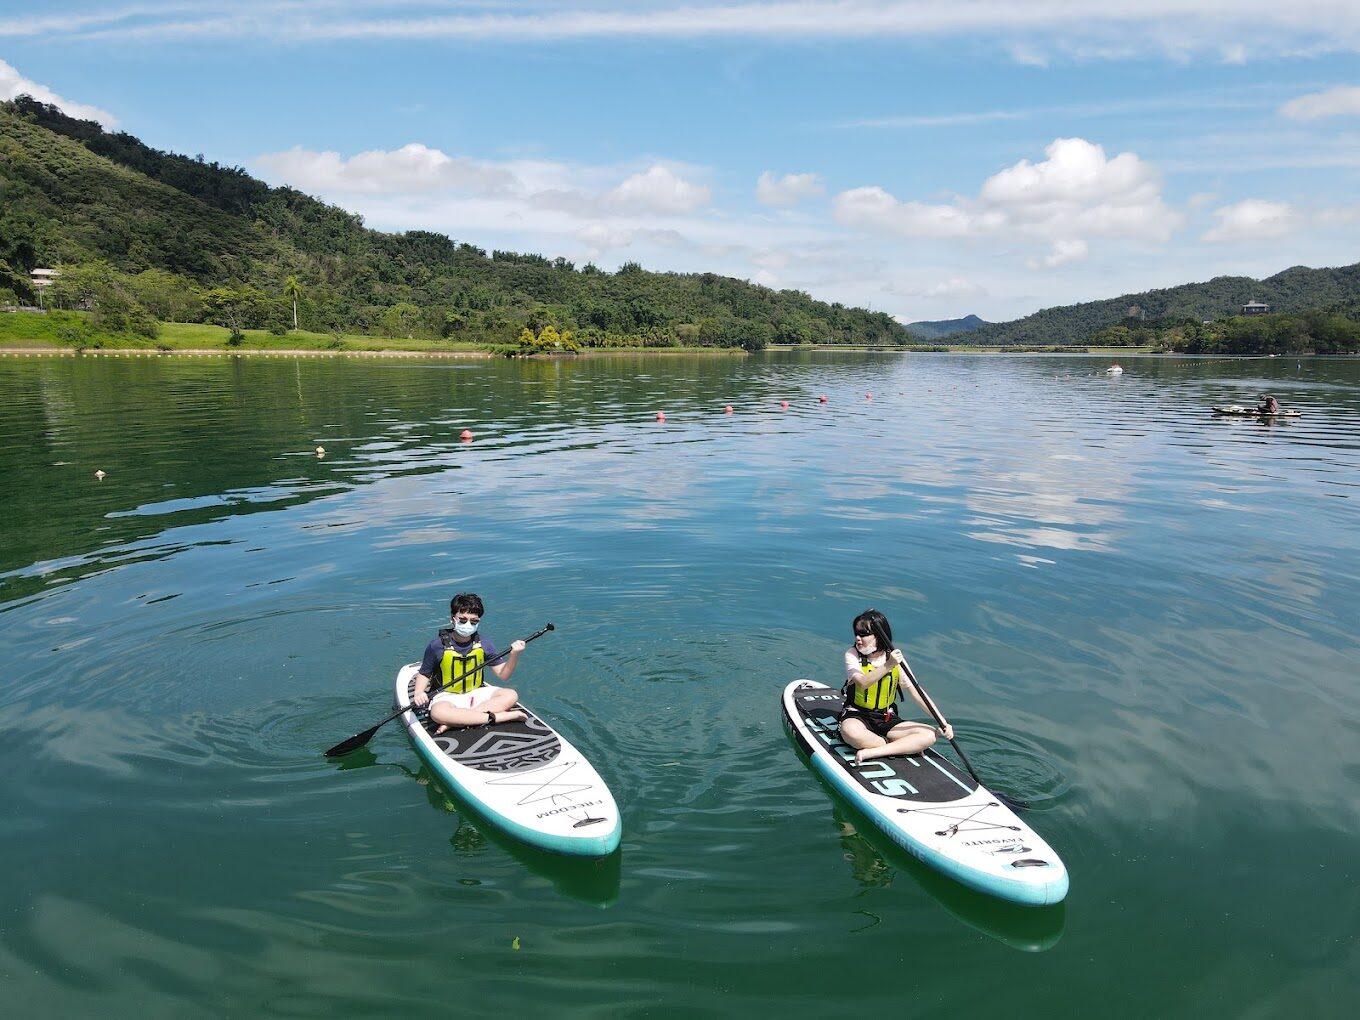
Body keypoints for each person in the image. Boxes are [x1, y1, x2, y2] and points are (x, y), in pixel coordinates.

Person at [841, 609, 953, 764]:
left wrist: (942, 721)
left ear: (879, 636)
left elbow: (916, 692)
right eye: (856, 633)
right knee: (849, 731)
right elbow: (862, 682)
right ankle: (900, 747)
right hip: (857, 715)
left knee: (930, 734)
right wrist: (889, 665)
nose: (858, 638)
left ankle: (874, 751)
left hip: (886, 717)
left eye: (864, 634)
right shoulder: (852, 655)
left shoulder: (894, 658)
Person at [412, 592, 527, 735]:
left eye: (474, 621)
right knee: (437, 712)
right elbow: (424, 673)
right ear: (452, 619)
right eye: (463, 619)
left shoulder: (485, 643)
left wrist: (514, 655)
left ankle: (458, 720)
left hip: (477, 693)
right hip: (447, 696)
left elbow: (503, 675)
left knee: (511, 695)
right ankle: (498, 716)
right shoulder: (437, 646)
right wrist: (418, 692)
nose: (468, 624)